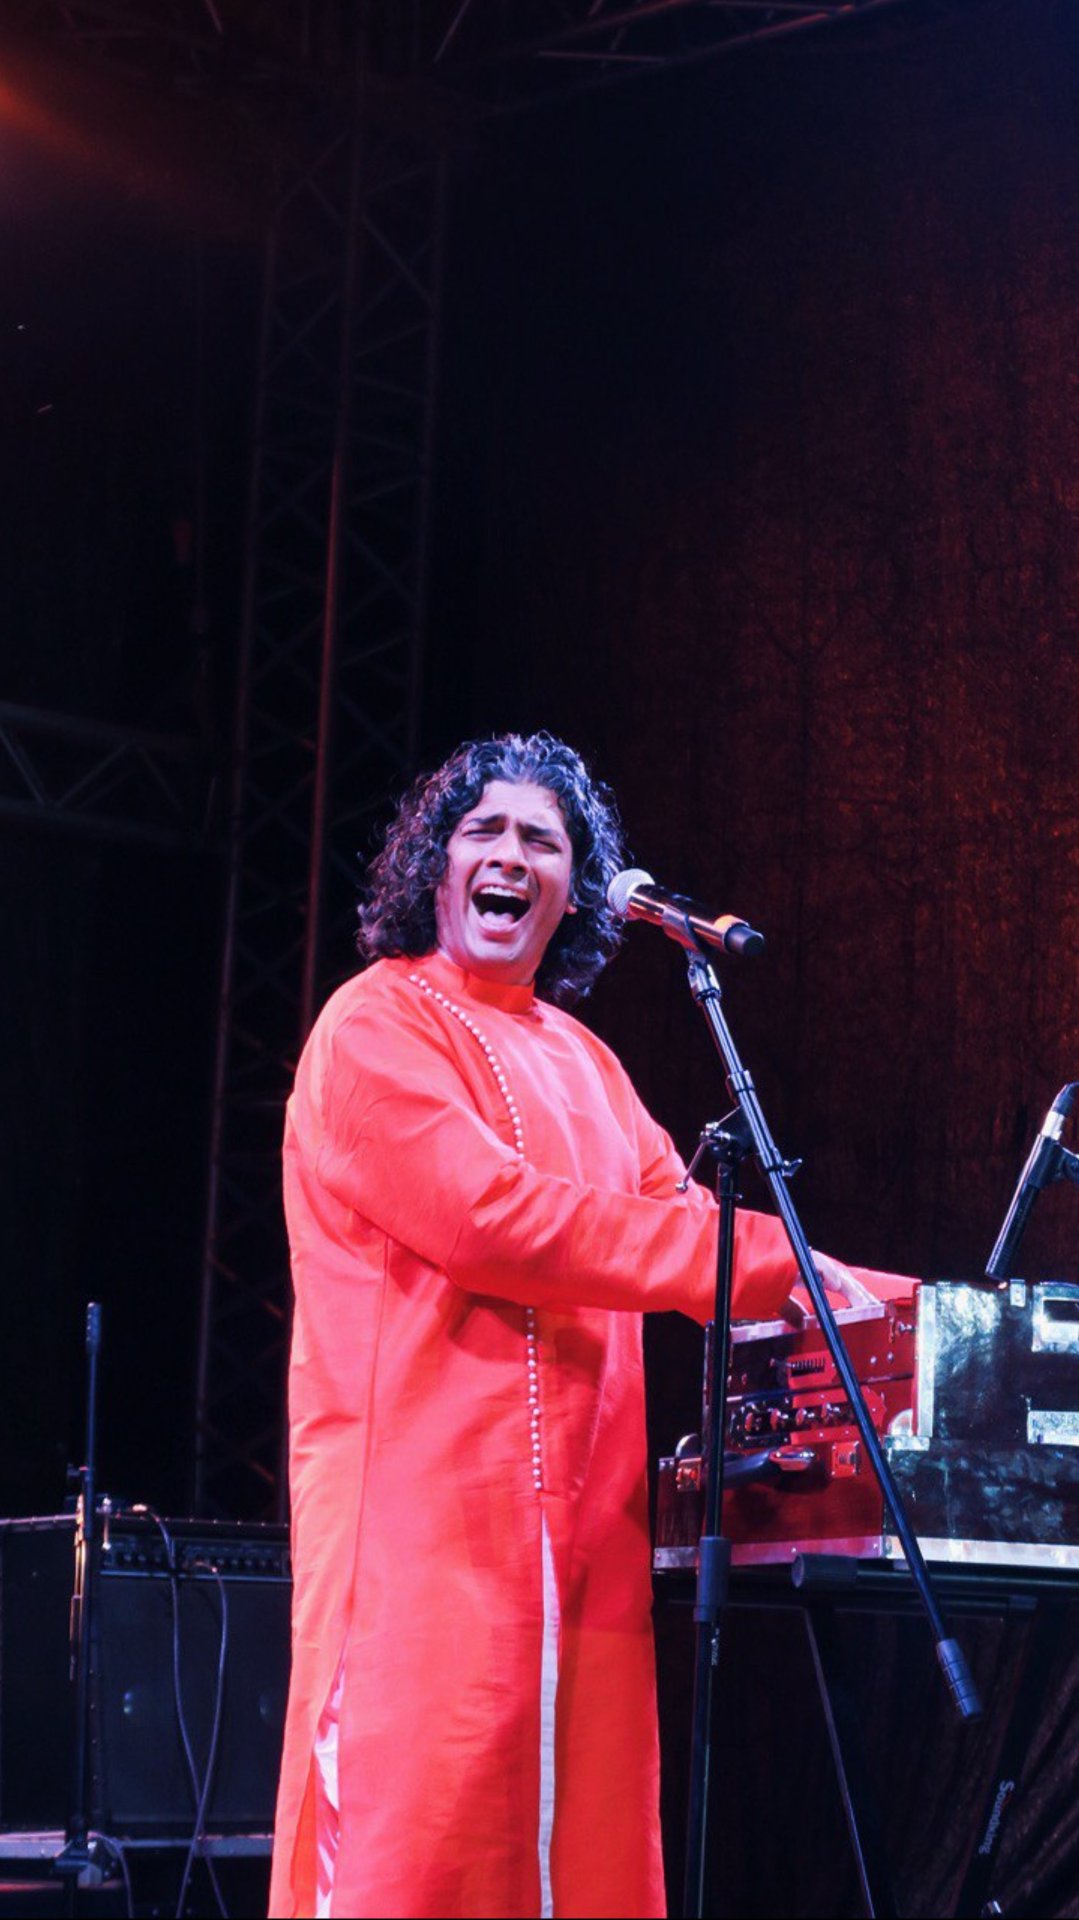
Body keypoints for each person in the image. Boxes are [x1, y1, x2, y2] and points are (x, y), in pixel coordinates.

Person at [268, 731, 905, 1920]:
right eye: (484, 831)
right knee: (424, 1862)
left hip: (588, 1554)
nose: (510, 856)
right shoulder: (373, 1027)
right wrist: (768, 1269)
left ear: (573, 891)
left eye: (541, 841)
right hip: (425, 1549)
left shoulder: (590, 1067)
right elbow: (491, 1218)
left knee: (587, 1864)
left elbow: (691, 1225)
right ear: (434, 864)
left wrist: (889, 1300)